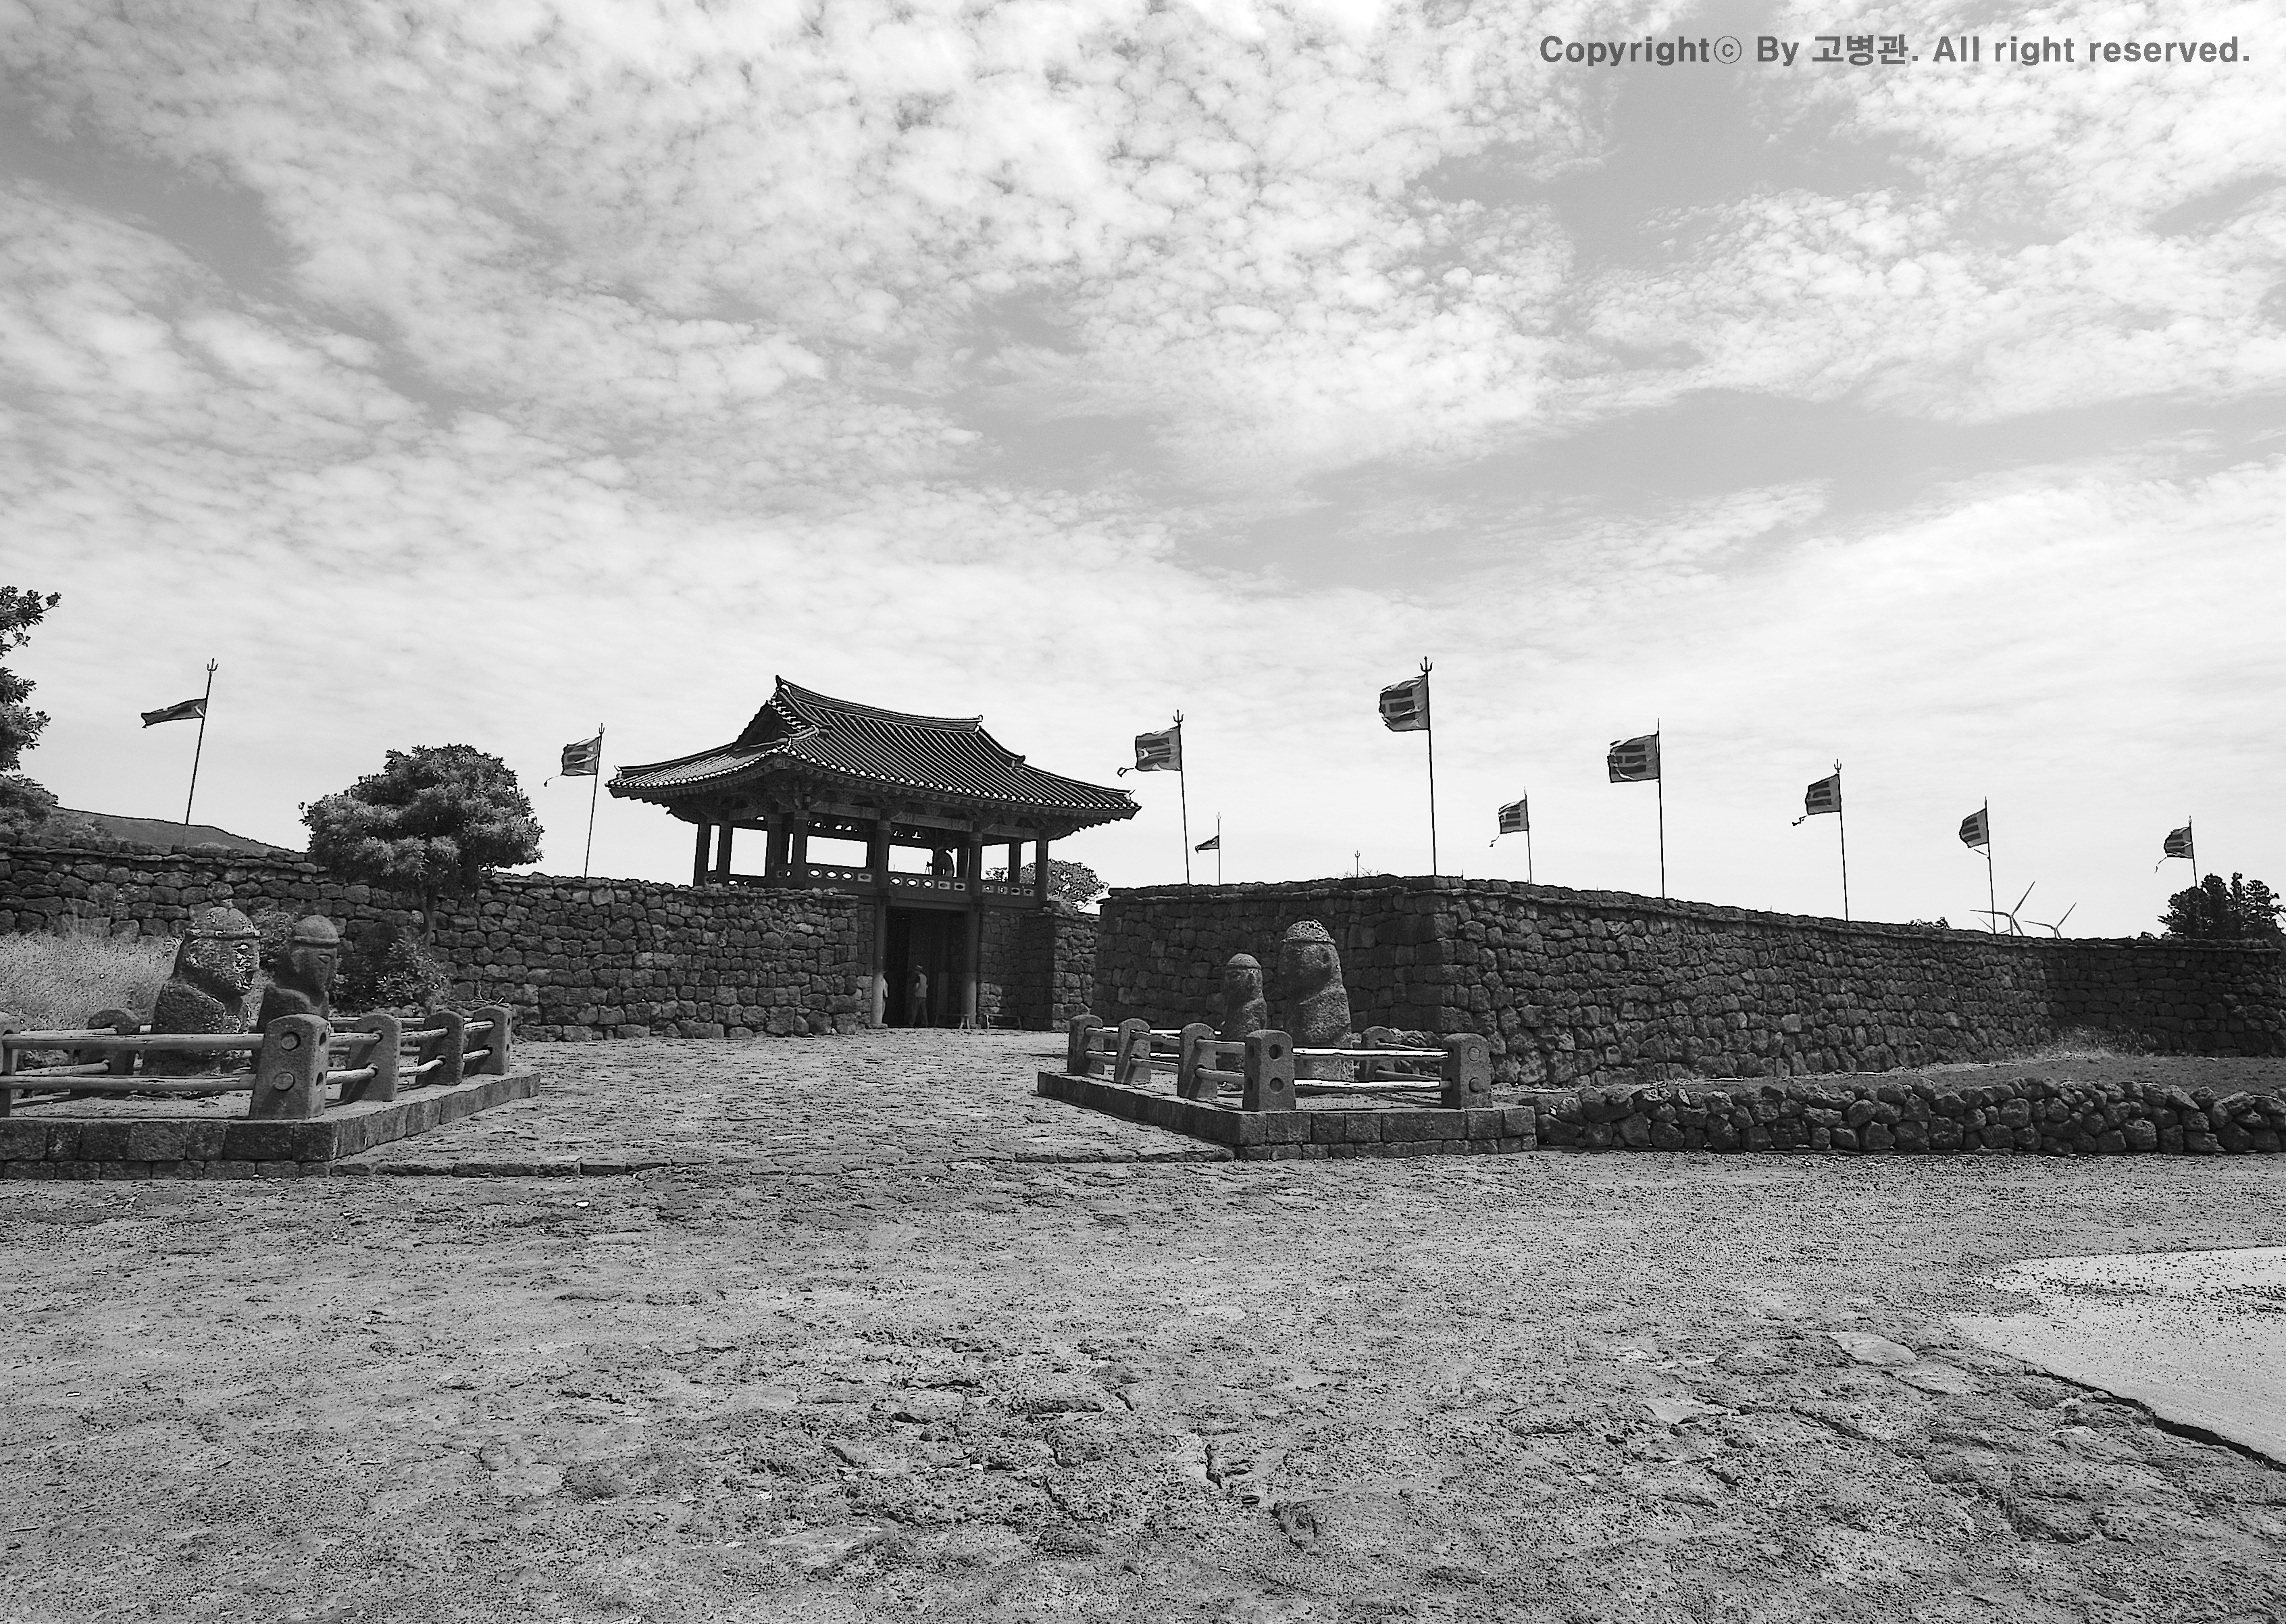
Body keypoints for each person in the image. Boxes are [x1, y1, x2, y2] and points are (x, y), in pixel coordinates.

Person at [907, 963, 930, 1027]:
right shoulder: (925, 977)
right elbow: (926, 986)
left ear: (918, 971)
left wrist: (913, 991)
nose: (915, 971)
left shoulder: (918, 977)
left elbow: (917, 986)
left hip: (917, 995)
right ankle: (925, 1023)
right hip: (924, 995)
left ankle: (911, 1023)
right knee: (923, 1011)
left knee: (914, 1010)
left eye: (915, 970)